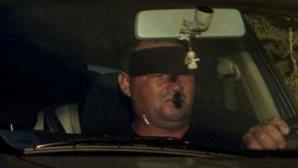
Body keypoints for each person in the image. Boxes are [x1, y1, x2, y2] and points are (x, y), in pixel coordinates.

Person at [116, 40, 288, 150]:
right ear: (126, 85)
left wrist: (272, 139)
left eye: (183, 69)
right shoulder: (107, 151)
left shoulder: (236, 134)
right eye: (156, 71)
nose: (175, 83)